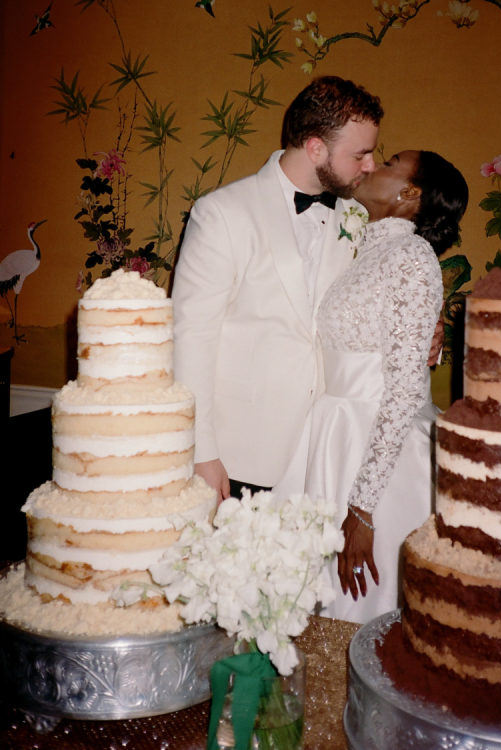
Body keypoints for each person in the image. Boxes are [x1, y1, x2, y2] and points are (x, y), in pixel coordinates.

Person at [172, 76, 384, 502]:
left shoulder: (359, 219)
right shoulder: (222, 213)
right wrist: (199, 451)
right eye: (360, 154)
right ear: (316, 148)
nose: (371, 166)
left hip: (326, 454)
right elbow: (190, 338)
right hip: (240, 453)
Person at [286, 149, 469, 624]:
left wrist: (363, 510)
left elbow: (406, 390)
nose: (371, 166)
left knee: (364, 609)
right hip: (334, 435)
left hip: (379, 453)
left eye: (389, 162)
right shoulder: (364, 248)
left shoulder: (411, 255)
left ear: (410, 193)